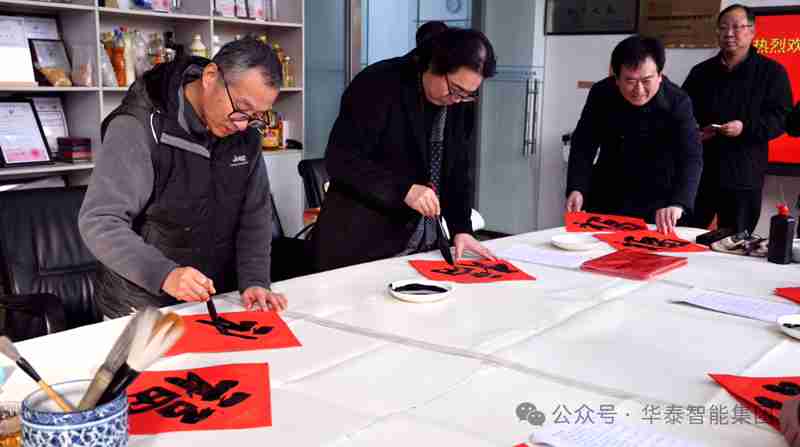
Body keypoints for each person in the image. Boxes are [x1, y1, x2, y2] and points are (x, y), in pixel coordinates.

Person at [79, 37, 288, 318]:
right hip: (140, 306)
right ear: (210, 76)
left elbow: (254, 215)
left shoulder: (246, 134)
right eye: (241, 106)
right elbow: (100, 221)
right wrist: (164, 274)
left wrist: (254, 280)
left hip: (211, 301)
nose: (243, 124)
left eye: (256, 115)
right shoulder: (140, 126)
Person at [312, 28, 497, 271]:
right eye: (455, 90)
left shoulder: (459, 102)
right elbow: (341, 160)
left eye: (468, 94)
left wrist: (461, 228)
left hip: (420, 244)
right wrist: (404, 190)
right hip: (359, 243)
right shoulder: (379, 84)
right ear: (434, 65)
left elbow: (458, 169)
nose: (457, 99)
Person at [566, 35, 703, 234]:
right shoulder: (601, 94)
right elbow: (584, 143)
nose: (639, 90)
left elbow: (691, 157)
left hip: (658, 202)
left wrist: (678, 204)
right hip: (609, 193)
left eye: (647, 80)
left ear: (660, 75)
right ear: (616, 78)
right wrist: (577, 187)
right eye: (630, 81)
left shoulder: (678, 102)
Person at [683, 4, 792, 234]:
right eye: (723, 28)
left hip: (743, 175)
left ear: (752, 32)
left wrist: (745, 128)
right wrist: (695, 132)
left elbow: (781, 119)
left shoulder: (772, 73)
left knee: (736, 245)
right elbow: (682, 114)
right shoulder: (700, 73)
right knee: (685, 236)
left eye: (736, 27)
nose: (729, 33)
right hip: (701, 172)